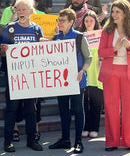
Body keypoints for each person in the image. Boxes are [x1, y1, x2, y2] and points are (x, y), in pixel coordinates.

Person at [98, 0, 130, 153]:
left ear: (125, 13)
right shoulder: (106, 30)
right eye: (112, 12)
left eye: (117, 12)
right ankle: (112, 142)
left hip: (129, 73)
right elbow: (101, 52)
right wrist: (114, 49)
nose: (114, 14)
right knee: (111, 108)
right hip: (111, 73)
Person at [0, 0, 43, 152]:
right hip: (14, 77)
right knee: (11, 110)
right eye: (18, 9)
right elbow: (2, 54)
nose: (21, 12)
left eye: (24, 9)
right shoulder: (9, 28)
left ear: (31, 11)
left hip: (31, 77)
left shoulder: (37, 29)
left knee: (31, 110)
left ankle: (31, 140)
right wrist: (3, 52)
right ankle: (8, 141)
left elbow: (41, 53)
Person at [49, 8, 91, 154]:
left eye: (62, 20)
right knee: (63, 110)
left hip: (77, 79)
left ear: (71, 22)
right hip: (61, 81)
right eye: (58, 20)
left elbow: (89, 57)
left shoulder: (79, 37)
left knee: (78, 110)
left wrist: (82, 71)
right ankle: (65, 139)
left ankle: (78, 141)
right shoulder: (56, 38)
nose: (59, 23)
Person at [78, 11, 103, 138]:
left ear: (95, 22)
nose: (88, 23)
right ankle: (86, 127)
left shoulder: (101, 35)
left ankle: (94, 127)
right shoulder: (80, 36)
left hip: (97, 72)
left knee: (96, 102)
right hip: (85, 70)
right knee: (85, 102)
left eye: (91, 21)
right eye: (86, 21)